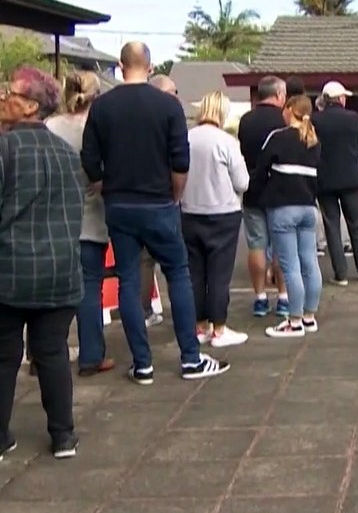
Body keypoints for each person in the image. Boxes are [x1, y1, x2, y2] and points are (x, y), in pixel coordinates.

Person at [81, 41, 227, 383]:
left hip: (119, 205)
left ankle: (143, 364)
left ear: (119, 66)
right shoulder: (167, 106)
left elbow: (90, 158)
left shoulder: (102, 107)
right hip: (159, 202)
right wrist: (175, 193)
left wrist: (106, 186)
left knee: (129, 280)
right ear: (149, 67)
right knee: (177, 273)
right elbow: (180, 158)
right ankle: (190, 358)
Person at [0, 66, 86, 460]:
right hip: (60, 270)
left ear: (31, 105)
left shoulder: (5, 149)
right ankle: (63, 435)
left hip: (11, 271)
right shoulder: (67, 155)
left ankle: (1, 437)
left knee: (4, 355)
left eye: (10, 92)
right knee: (52, 353)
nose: (4, 97)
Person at [45, 72, 117, 377]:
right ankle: (91, 356)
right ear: (96, 95)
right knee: (90, 288)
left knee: (52, 292)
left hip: (53, 219)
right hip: (90, 216)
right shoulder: (100, 129)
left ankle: (44, 355)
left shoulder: (50, 128)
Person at [182, 91, 250, 348]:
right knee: (219, 275)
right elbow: (242, 182)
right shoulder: (227, 142)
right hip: (223, 214)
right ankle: (219, 329)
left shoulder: (185, 138)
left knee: (195, 274)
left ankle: (199, 326)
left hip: (189, 212)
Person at [257, 96, 325, 338]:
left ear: (289, 111)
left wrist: (257, 196)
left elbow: (260, 170)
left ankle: (294, 321)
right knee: (310, 262)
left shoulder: (278, 137)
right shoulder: (314, 140)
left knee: (290, 265)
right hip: (308, 207)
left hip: (283, 208)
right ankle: (309, 316)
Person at [312, 81, 358, 284]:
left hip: (324, 179)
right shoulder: (353, 118)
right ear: (340, 98)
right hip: (350, 178)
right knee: (356, 225)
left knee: (331, 226)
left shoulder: (315, 120)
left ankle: (340, 274)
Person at [237, 76, 290, 317]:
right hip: (279, 188)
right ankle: (283, 297)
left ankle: (259, 298)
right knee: (281, 245)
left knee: (256, 244)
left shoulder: (246, 120)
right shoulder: (284, 119)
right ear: (279, 95)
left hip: (252, 187)